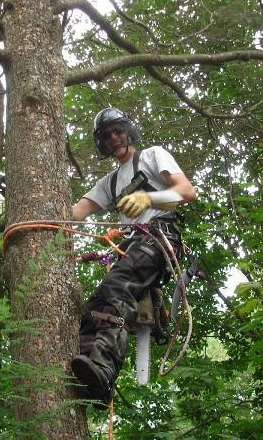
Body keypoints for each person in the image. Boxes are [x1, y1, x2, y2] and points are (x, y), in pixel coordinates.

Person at [71, 107, 197, 408]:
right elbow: (75, 214)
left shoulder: (152, 156)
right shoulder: (110, 183)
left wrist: (148, 197)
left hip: (158, 238)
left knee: (116, 288)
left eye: (117, 131)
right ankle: (94, 383)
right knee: (96, 305)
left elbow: (187, 191)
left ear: (128, 130)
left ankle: (104, 368)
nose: (114, 139)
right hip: (131, 250)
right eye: (106, 136)